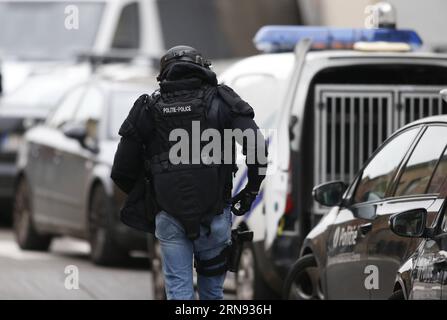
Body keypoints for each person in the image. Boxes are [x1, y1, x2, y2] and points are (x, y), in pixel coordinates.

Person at [111, 46, 267, 300]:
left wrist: (153, 196)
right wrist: (250, 191)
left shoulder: (149, 108)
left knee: (179, 293)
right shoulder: (222, 101)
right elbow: (257, 147)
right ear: (203, 68)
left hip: (168, 215)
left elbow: (122, 170)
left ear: (164, 74)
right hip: (215, 213)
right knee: (212, 294)